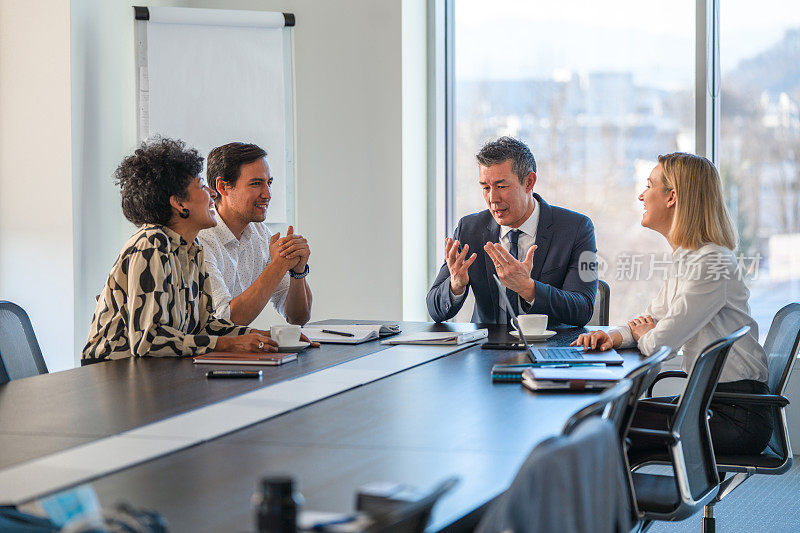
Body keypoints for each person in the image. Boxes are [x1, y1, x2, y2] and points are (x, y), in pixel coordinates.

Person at [572, 152, 771, 455]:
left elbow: (659, 344)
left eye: (649, 185)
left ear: (672, 197)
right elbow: (653, 318)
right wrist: (614, 336)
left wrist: (645, 335)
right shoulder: (691, 257)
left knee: (603, 426)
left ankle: (623, 504)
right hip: (709, 403)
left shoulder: (710, 262)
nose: (641, 194)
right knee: (601, 419)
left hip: (735, 415)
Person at [82, 137, 287, 363]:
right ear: (179, 204)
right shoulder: (151, 244)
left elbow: (205, 325)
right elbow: (147, 341)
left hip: (159, 374)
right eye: (201, 186)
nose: (211, 193)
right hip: (115, 377)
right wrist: (229, 343)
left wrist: (260, 336)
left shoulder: (193, 248)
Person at [426, 136, 598, 327]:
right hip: (486, 350)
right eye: (485, 187)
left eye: (502, 187)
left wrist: (527, 288)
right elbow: (434, 310)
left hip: (550, 349)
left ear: (529, 182)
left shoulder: (577, 228)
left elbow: (583, 309)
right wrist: (455, 286)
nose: (493, 199)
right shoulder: (469, 229)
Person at [197, 142, 312, 326]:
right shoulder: (201, 239)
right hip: (201, 354)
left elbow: (298, 318)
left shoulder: (260, 234)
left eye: (269, 183)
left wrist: (297, 271)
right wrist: (278, 265)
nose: (267, 194)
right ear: (223, 186)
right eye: (256, 184)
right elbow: (225, 323)